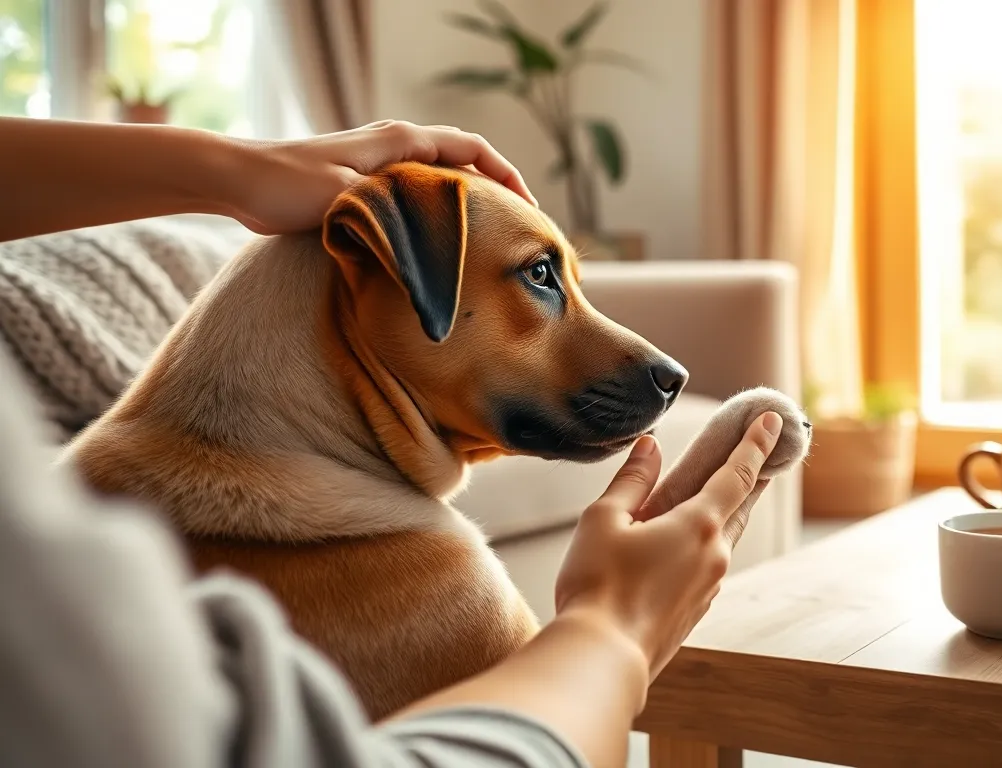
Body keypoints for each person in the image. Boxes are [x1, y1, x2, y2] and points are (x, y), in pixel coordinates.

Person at [0, 117, 784, 768]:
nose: (650, 361)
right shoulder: (49, 576)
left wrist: (235, 172)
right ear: (384, 264)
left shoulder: (73, 513)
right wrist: (613, 628)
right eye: (540, 276)